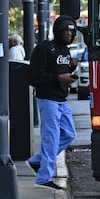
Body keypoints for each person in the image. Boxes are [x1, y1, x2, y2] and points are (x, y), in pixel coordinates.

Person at [27, 15, 79, 190]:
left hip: (61, 99)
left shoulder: (65, 50)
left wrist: (71, 68)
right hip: (47, 98)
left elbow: (60, 69)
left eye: (71, 31)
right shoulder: (45, 48)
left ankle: (38, 161)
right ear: (58, 30)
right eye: (65, 30)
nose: (68, 33)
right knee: (51, 138)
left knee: (70, 134)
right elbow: (34, 77)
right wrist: (59, 78)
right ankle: (44, 177)